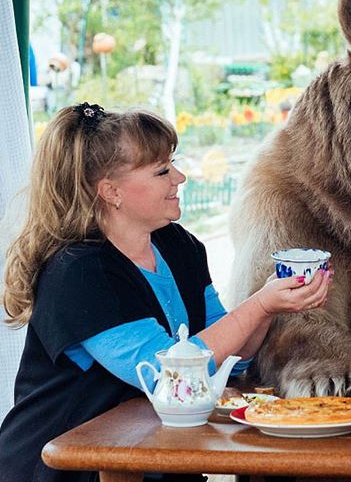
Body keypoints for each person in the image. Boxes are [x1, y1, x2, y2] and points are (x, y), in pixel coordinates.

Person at [0, 103, 332, 482]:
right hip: (65, 469)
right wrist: (259, 304)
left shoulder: (178, 245)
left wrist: (274, 303)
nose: (180, 176)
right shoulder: (79, 273)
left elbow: (230, 358)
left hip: (152, 460)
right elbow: (167, 377)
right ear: (111, 192)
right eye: (162, 171)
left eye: (174, 163)